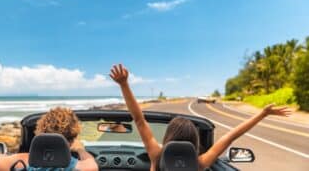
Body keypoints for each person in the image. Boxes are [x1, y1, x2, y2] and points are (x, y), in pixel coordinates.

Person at [109, 64, 291, 171]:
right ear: (195, 143)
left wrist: (124, 84)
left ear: (168, 138)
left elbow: (139, 120)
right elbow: (232, 135)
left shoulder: (157, 156)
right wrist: (263, 114)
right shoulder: (200, 163)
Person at [0, 107, 98, 171]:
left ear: (40, 133)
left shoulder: (23, 160)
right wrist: (81, 150)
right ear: (71, 141)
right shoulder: (77, 166)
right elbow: (92, 166)